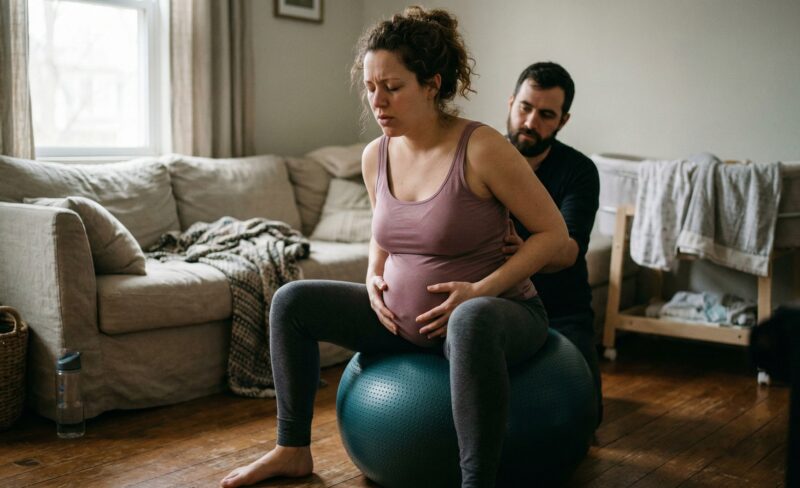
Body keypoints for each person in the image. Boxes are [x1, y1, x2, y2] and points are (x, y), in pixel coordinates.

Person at [220, 7, 568, 488]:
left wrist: (479, 290)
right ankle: (291, 448)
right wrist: (371, 276)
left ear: (432, 84)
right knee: (291, 301)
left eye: (393, 87)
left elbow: (554, 236)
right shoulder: (375, 155)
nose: (377, 102)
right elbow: (384, 233)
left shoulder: (481, 148)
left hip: (496, 316)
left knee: (468, 319)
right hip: (403, 325)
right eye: (370, 88)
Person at [502, 62, 603, 423]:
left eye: (546, 114)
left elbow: (568, 252)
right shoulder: (482, 155)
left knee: (585, 419)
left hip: (562, 308)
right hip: (496, 300)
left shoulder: (579, 171)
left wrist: (516, 255)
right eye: (525, 108)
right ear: (511, 103)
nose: (530, 123)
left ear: (563, 120)